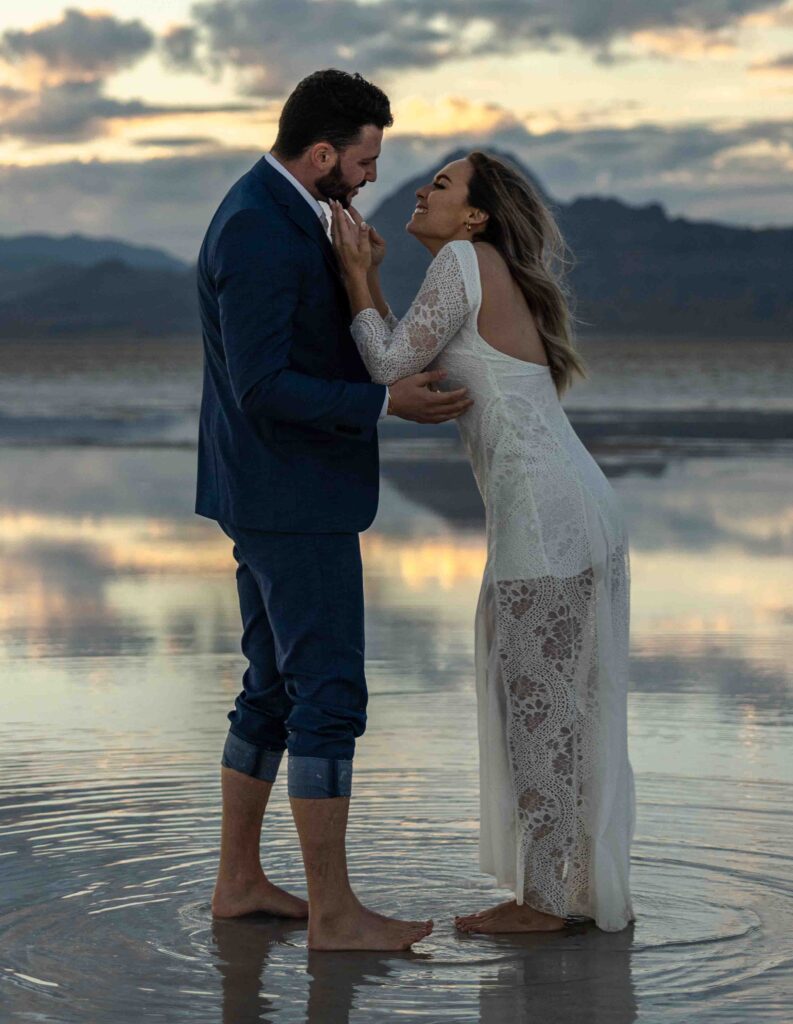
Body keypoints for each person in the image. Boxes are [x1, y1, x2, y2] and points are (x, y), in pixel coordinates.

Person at [195, 69, 473, 952]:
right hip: (290, 496)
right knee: (327, 695)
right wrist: (383, 407)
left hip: (275, 491)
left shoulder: (288, 216)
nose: (368, 177)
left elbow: (335, 349)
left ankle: (239, 885)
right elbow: (262, 385)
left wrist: (363, 279)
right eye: (362, 161)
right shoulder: (258, 230)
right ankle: (335, 914)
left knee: (273, 691)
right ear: (321, 154)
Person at [330, 150, 637, 933]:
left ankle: (544, 903)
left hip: (545, 517)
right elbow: (408, 361)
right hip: (571, 507)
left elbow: (389, 362)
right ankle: (566, 893)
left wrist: (357, 274)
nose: (424, 190)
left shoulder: (465, 258)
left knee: (537, 712)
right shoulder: (483, 265)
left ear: (473, 215)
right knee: (558, 711)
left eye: (443, 183)